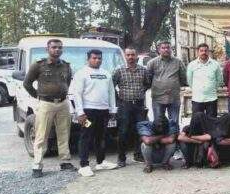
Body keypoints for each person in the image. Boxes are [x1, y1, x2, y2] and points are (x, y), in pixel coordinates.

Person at [23, 38, 75, 178]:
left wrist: (61, 93)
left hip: (63, 103)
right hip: (46, 104)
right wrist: (38, 96)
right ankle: (37, 165)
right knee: (41, 135)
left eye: (59, 47)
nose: (57, 50)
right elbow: (27, 83)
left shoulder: (66, 66)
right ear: (47, 49)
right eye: (54, 47)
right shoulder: (38, 65)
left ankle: (65, 161)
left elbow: (67, 82)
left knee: (64, 133)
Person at [70, 49, 118, 177]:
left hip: (103, 111)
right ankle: (84, 165)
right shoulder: (81, 73)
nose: (97, 60)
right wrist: (80, 112)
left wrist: (112, 109)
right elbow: (77, 94)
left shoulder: (106, 74)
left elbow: (111, 92)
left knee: (101, 137)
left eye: (99, 58)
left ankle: (100, 162)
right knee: (86, 136)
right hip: (87, 112)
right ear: (88, 59)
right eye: (94, 58)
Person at [112, 47, 150, 167]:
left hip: (139, 105)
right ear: (125, 56)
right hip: (125, 104)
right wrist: (118, 99)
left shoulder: (143, 70)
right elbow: (111, 85)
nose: (130, 57)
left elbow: (147, 84)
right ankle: (121, 158)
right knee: (123, 131)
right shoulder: (119, 70)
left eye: (133, 55)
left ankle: (138, 155)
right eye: (128, 55)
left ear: (136, 56)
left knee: (140, 129)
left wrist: (140, 92)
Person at [146, 40, 187, 123]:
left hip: (173, 98)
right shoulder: (152, 63)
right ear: (159, 50)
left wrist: (174, 86)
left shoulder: (178, 62)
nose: (166, 50)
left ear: (171, 49)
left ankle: (173, 132)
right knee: (158, 123)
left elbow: (183, 78)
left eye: (168, 47)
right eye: (163, 48)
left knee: (174, 123)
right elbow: (148, 79)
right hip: (158, 98)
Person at [186, 43, 223, 117]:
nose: (204, 52)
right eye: (201, 51)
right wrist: (197, 89)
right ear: (198, 52)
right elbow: (189, 81)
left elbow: (219, 80)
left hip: (211, 98)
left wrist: (211, 89)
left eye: (206, 51)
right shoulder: (192, 65)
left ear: (208, 52)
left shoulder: (215, 64)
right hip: (197, 99)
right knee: (197, 121)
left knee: (212, 121)